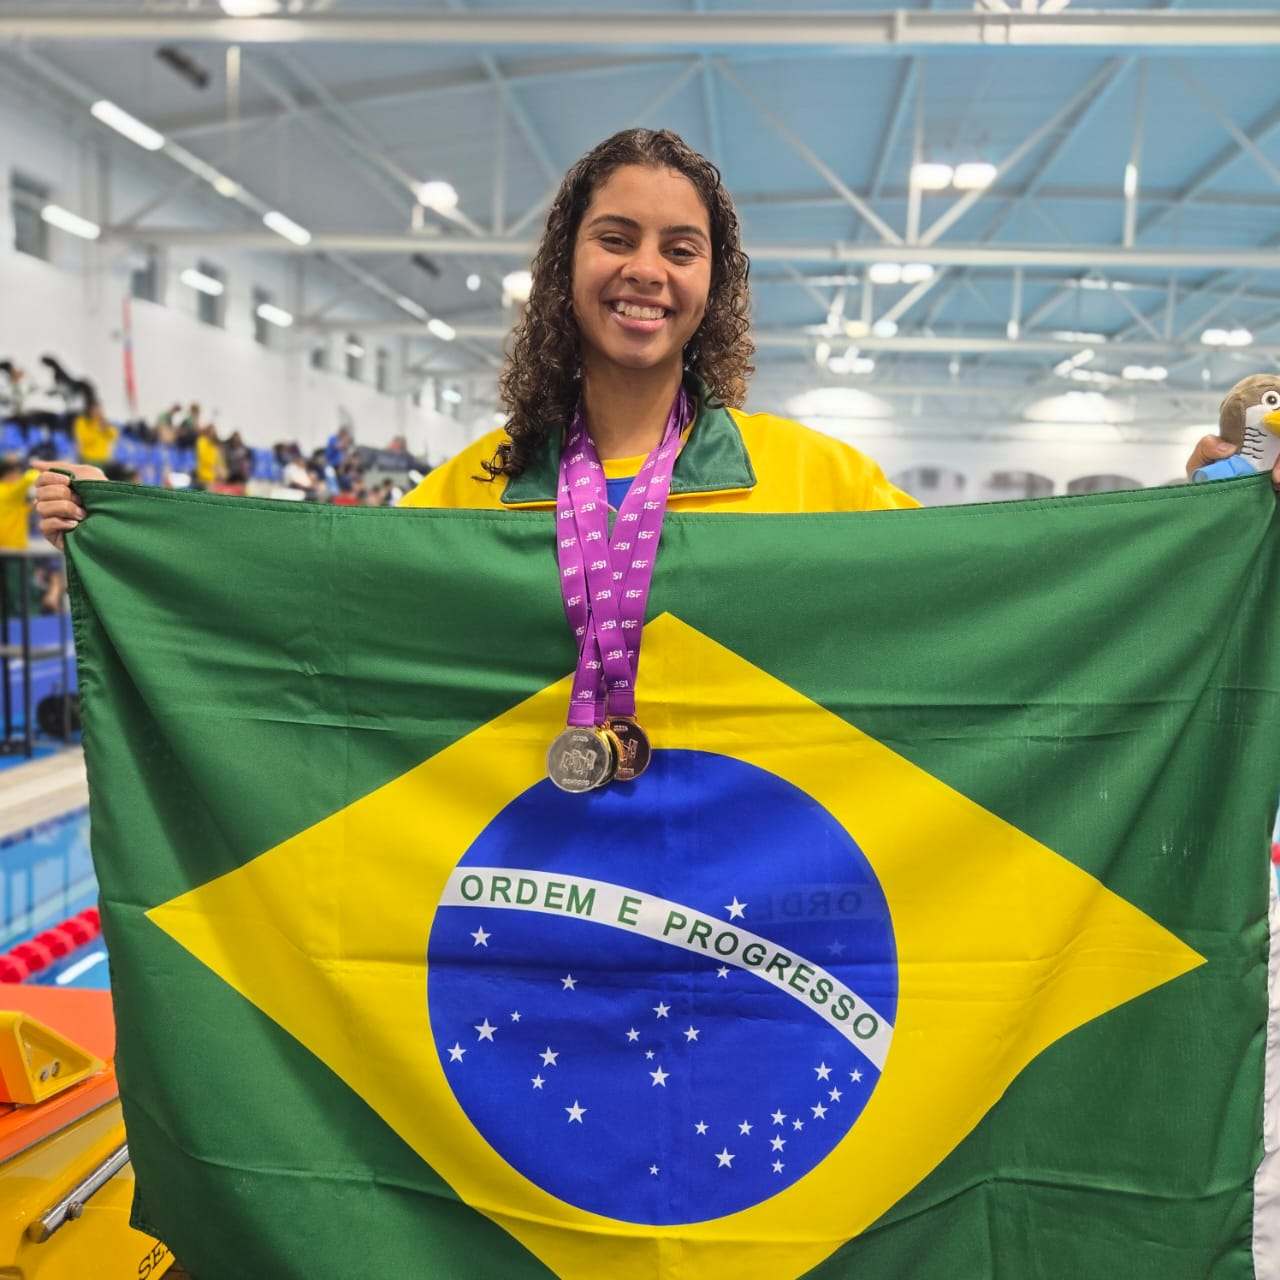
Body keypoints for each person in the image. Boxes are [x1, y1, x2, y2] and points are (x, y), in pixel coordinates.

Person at [31, 127, 1280, 544]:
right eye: (614, 237)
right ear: (564, 264)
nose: (645, 271)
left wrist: (1218, 522)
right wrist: (128, 529)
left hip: (739, 923)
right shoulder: (471, 488)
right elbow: (317, 613)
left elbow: (1007, 585)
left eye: (681, 249)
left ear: (712, 286)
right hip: (527, 917)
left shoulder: (814, 479)